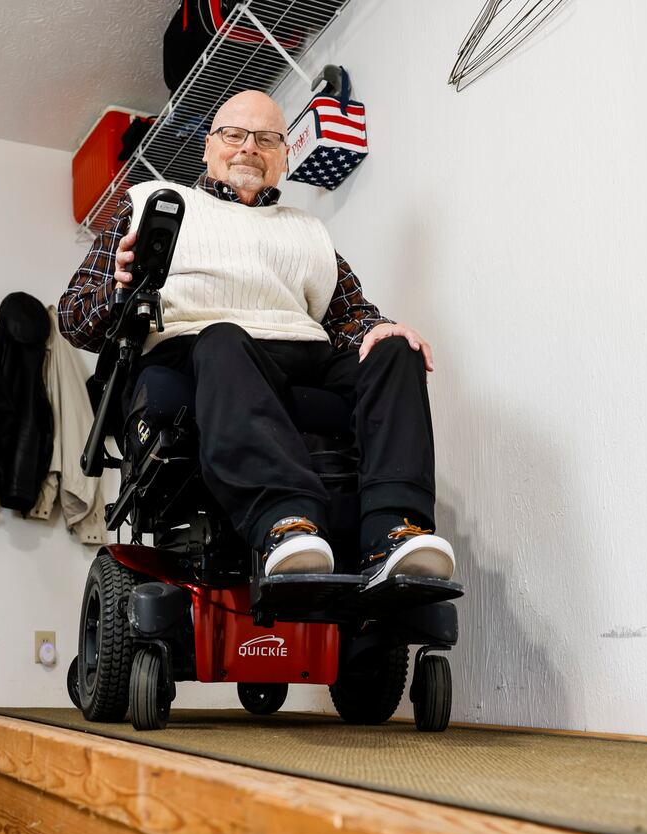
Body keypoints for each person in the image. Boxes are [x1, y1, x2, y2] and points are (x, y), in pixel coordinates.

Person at [59, 90, 454, 584]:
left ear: (284, 157)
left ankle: (396, 530)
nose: (249, 147)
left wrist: (381, 329)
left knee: (397, 349)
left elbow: (351, 316)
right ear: (208, 146)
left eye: (267, 138)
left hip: (302, 354)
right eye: (234, 134)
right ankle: (286, 522)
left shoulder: (309, 232)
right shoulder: (150, 203)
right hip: (202, 347)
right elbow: (74, 318)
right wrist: (117, 288)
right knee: (225, 338)